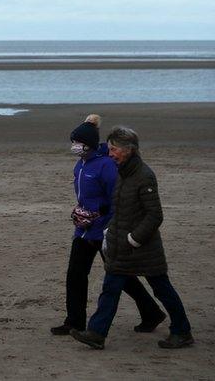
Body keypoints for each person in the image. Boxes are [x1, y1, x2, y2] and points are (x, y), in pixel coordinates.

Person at [71, 126, 194, 350]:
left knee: (162, 288)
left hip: (143, 247)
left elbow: (155, 215)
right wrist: (109, 231)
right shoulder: (120, 173)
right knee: (110, 289)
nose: (110, 154)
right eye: (109, 149)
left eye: (114, 150)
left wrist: (133, 239)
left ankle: (182, 331)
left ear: (129, 150)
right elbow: (118, 209)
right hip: (120, 246)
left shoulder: (144, 176)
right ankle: (96, 334)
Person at [50, 115, 164, 336]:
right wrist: (79, 212)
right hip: (83, 231)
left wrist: (99, 214)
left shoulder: (106, 166)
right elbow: (84, 196)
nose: (74, 146)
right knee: (75, 274)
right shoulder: (80, 165)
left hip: (104, 230)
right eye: (73, 142)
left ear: (89, 145)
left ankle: (151, 312)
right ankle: (74, 321)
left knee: (122, 277)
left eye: (77, 143)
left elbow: (117, 198)